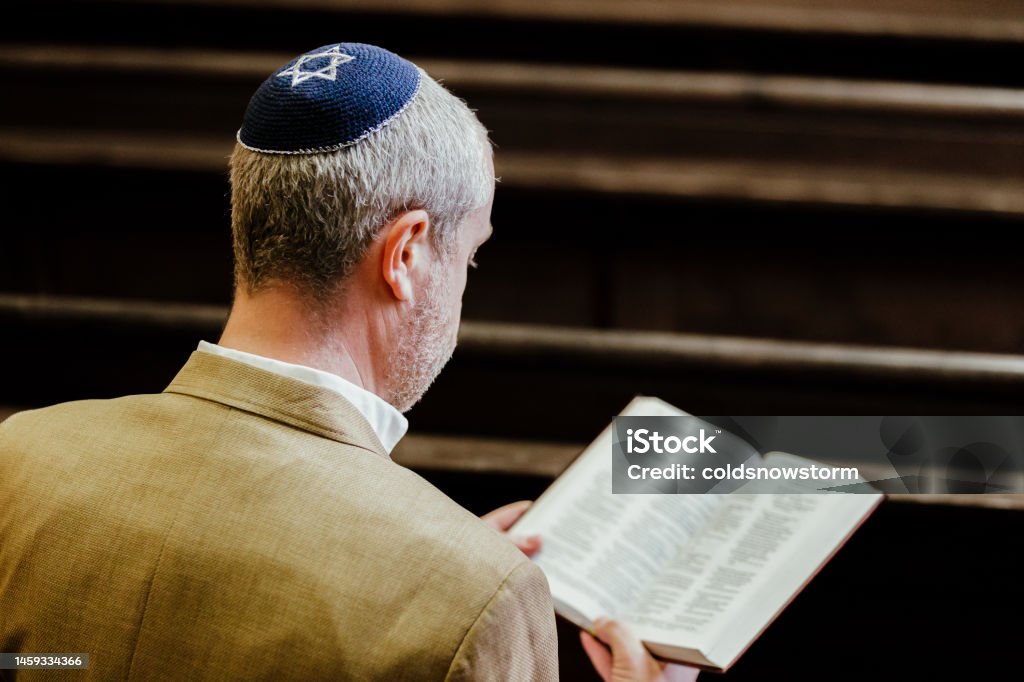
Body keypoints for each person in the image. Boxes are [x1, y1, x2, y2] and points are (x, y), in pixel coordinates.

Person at [0, 43, 697, 681]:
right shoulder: (479, 601)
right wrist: (451, 590)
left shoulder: (17, 456)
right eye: (470, 256)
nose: (465, 284)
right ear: (406, 254)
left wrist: (434, 573)